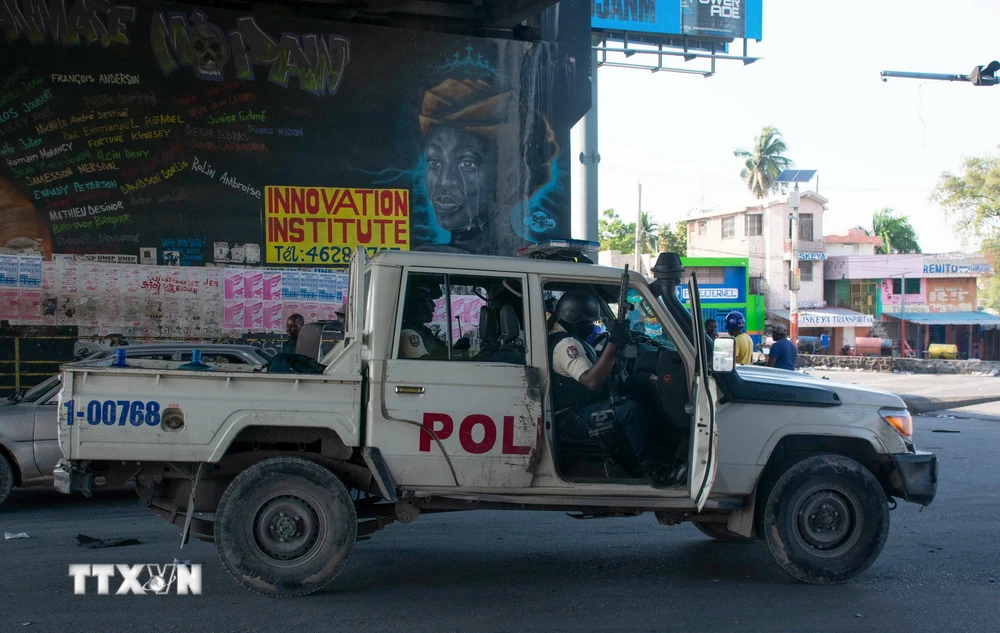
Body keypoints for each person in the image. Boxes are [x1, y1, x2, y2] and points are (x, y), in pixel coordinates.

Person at [548, 290, 686, 488]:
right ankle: (655, 472)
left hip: (578, 408)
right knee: (629, 410)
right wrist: (614, 343)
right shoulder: (566, 344)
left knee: (634, 395)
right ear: (577, 322)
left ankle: (658, 457)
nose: (592, 327)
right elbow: (592, 381)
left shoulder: (567, 336)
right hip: (572, 417)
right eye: (590, 323)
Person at [398, 282, 448, 359]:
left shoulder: (423, 331)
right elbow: (426, 364)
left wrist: (459, 349)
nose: (434, 305)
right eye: (429, 300)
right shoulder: (408, 333)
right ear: (417, 304)